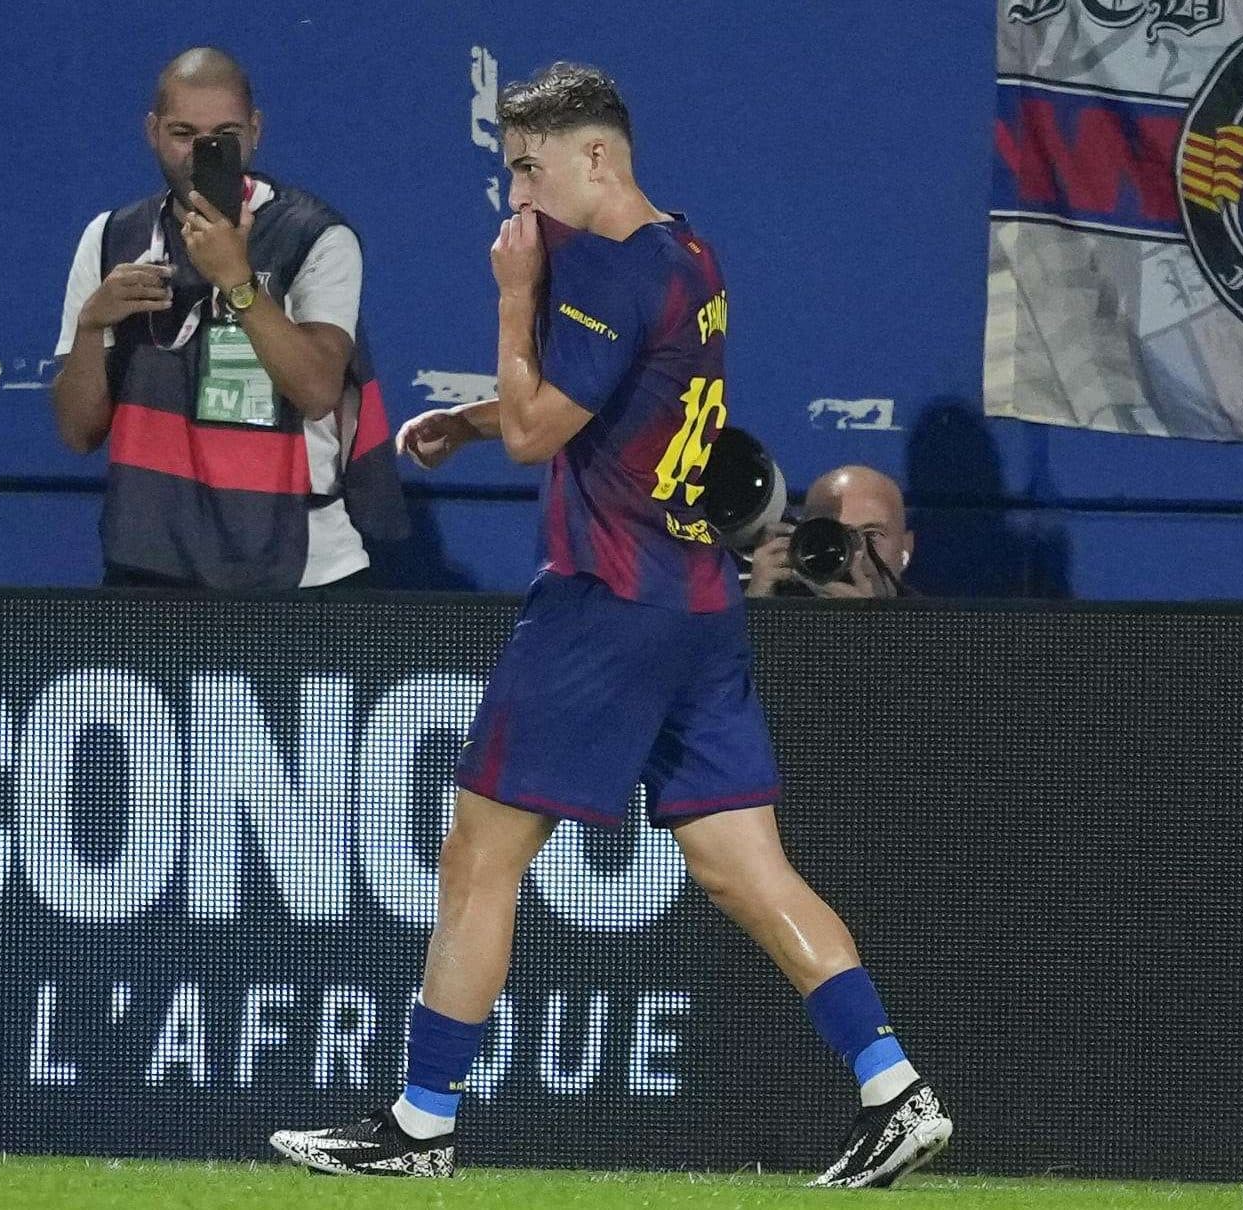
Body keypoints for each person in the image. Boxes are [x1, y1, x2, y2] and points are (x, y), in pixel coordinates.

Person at [267, 63, 952, 1187]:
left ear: (596, 158)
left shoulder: (588, 270)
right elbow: (615, 406)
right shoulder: (688, 253)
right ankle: (894, 1086)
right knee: (744, 866)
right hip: (700, 605)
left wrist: (508, 299)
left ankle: (420, 1123)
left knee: (479, 859)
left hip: (605, 603)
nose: (516, 200)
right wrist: (470, 423)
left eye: (528, 169)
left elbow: (545, 433)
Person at [50, 47, 406, 590]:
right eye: (183, 132)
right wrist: (91, 326)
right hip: (150, 558)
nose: (202, 151)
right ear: (151, 130)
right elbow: (78, 434)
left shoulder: (315, 237)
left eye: (225, 134)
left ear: (256, 131)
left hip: (301, 563)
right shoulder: (109, 238)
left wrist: (238, 283)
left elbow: (316, 390)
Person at [748, 466, 915, 598]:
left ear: (906, 547)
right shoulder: (776, 603)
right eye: (832, 534)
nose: (854, 553)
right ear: (800, 540)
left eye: (872, 534)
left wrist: (869, 628)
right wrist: (757, 607)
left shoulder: (934, 629)